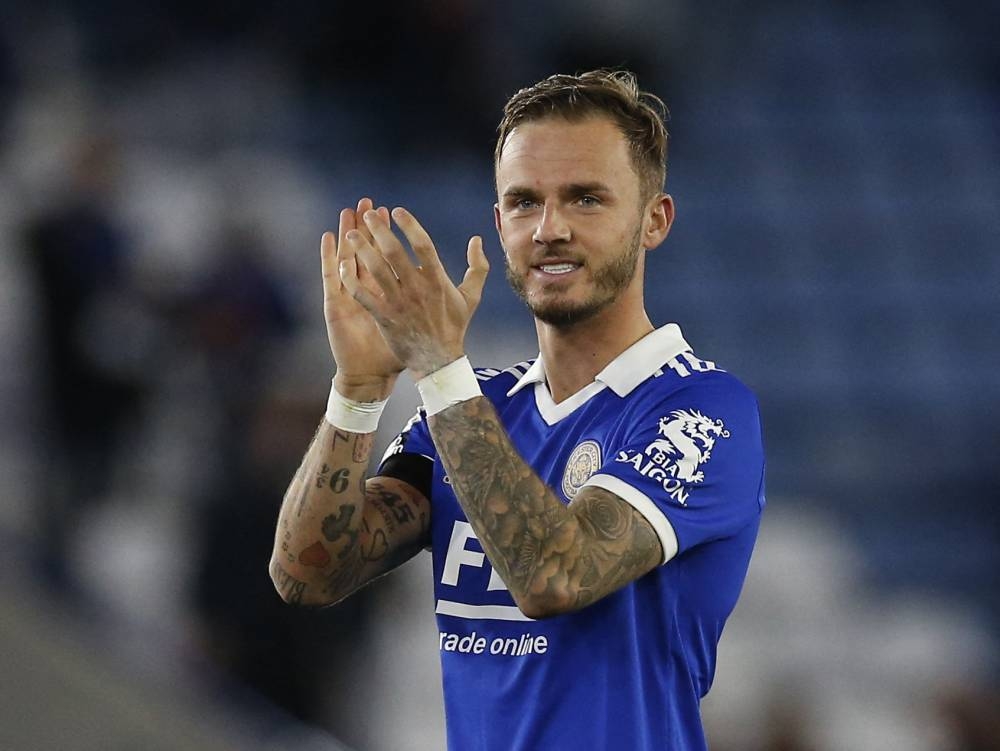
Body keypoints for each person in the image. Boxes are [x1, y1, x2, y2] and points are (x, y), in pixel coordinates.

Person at [270, 69, 766, 751]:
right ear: (500, 224)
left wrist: (440, 370)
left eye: (586, 199)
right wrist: (358, 390)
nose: (550, 228)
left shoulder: (701, 411)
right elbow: (308, 573)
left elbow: (555, 575)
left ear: (654, 219)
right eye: (525, 202)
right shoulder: (476, 406)